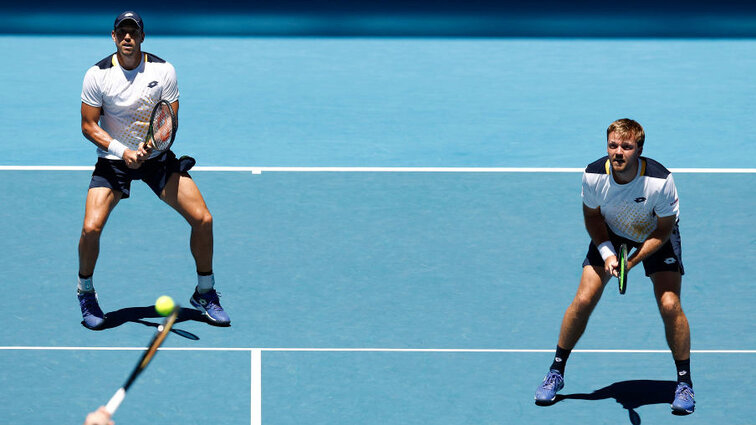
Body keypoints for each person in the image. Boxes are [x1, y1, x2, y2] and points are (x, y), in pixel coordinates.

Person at [77, 11, 230, 328]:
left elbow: (169, 123)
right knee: (91, 228)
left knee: (203, 219)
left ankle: (205, 291)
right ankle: (86, 293)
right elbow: (88, 126)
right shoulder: (97, 75)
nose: (128, 37)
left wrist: (150, 148)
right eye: (122, 32)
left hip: (155, 158)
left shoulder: (164, 71)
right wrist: (123, 151)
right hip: (113, 161)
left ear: (142, 37)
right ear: (114, 36)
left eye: (133, 32)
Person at [533, 119, 694, 414]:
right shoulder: (594, 175)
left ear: (639, 149)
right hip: (612, 231)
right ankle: (556, 371)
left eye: (626, 146)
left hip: (655, 233)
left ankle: (684, 382)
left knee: (670, 305)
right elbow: (593, 218)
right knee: (583, 299)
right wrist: (608, 254)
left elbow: (664, 230)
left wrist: (629, 262)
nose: (618, 152)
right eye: (613, 145)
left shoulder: (660, 181)